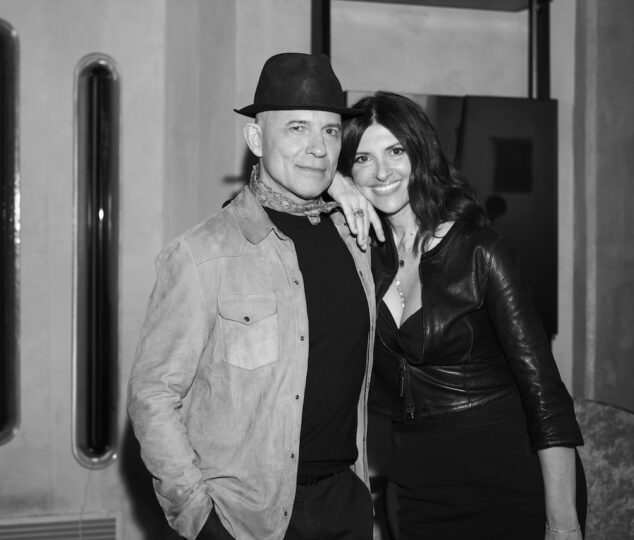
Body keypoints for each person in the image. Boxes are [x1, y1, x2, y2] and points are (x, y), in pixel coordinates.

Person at [127, 53, 379, 540]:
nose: (318, 148)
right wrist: (199, 518)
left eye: (330, 131)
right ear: (257, 138)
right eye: (297, 129)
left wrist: (343, 185)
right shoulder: (202, 255)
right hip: (246, 519)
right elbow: (152, 395)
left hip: (346, 504)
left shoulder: (356, 238)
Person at [334, 90, 586, 540]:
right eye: (363, 159)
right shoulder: (362, 256)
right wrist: (332, 184)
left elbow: (545, 395)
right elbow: (283, 207)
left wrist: (562, 524)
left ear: (421, 153)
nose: (382, 171)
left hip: (508, 480)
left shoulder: (481, 251)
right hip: (417, 489)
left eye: (396, 151)